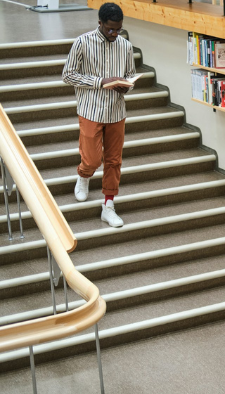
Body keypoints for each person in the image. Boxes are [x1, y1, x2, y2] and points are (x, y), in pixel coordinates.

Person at [62, 2, 136, 227]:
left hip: (116, 111)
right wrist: (99, 82)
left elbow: (131, 74)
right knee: (93, 159)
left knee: (114, 160)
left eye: (118, 29)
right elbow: (68, 75)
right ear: (100, 23)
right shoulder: (82, 42)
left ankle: (109, 205)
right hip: (90, 110)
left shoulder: (125, 45)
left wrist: (127, 86)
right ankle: (84, 176)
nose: (114, 33)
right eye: (110, 29)